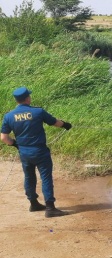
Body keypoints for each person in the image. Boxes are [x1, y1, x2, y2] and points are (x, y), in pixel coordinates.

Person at [1, 87, 72, 218]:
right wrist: (66, 125)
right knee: (46, 177)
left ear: (16, 100)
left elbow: (4, 137)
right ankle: (50, 208)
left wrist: (15, 144)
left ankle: (33, 203)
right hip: (40, 151)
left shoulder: (9, 116)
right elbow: (55, 122)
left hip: (24, 152)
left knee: (29, 177)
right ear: (27, 98)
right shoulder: (37, 111)